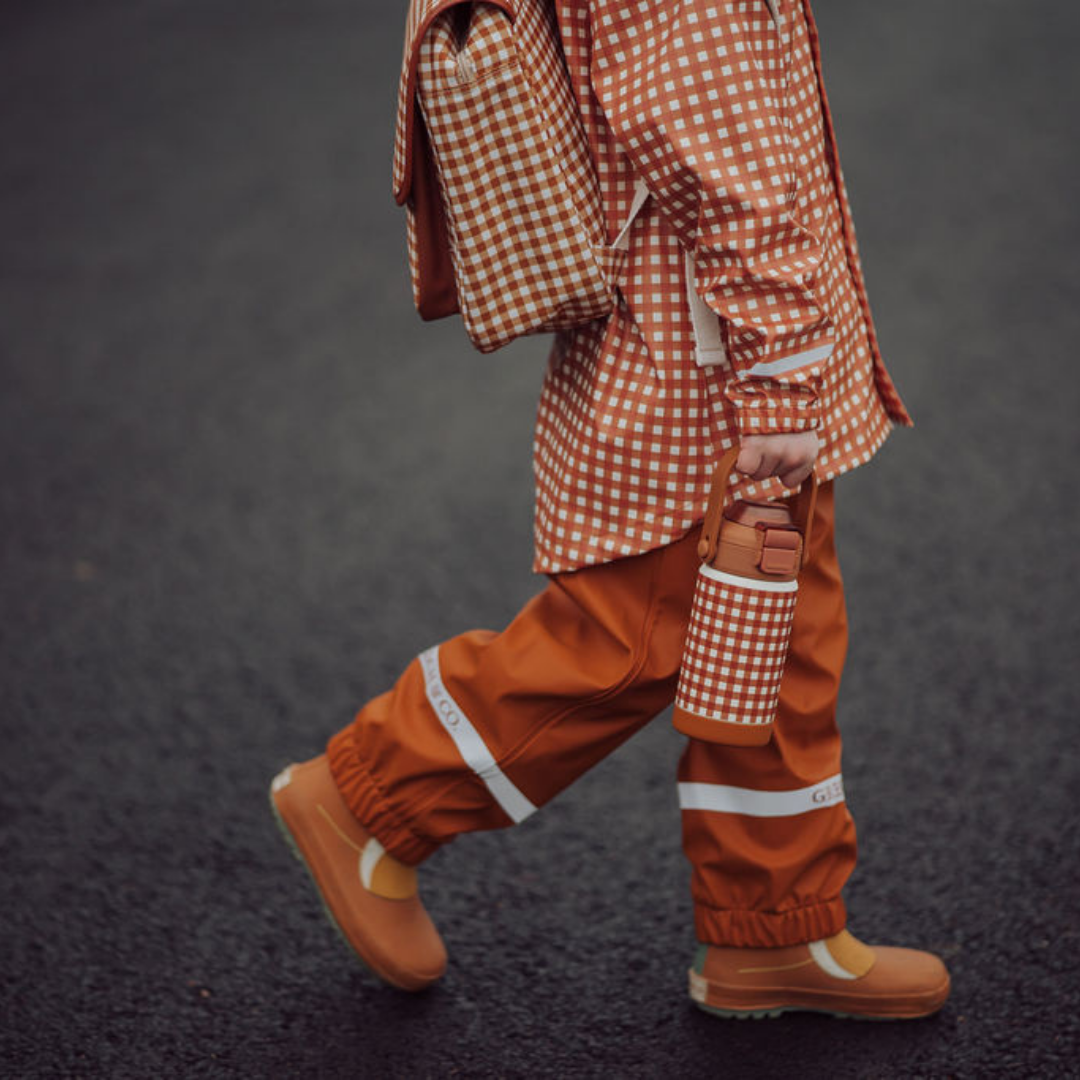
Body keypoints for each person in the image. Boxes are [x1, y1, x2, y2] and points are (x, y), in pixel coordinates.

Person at [270, 0, 951, 1019]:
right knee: (637, 637)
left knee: (774, 649)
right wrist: (780, 372)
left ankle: (775, 926)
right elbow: (711, 142)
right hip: (712, 378)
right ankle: (375, 796)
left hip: (734, 363)